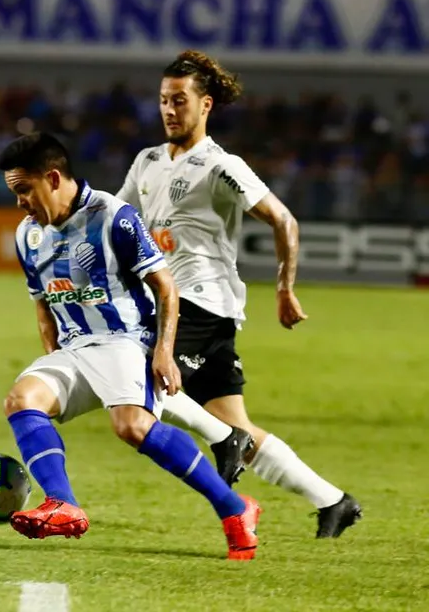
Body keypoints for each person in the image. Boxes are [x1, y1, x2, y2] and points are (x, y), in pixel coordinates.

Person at [116, 50, 362, 538]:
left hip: (200, 303)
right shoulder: (146, 162)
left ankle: (223, 440)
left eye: (180, 100)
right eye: (164, 100)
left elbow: (283, 218)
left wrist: (285, 288)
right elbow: (117, 223)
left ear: (205, 105)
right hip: (182, 306)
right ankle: (333, 501)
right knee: (239, 429)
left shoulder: (220, 165)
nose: (169, 109)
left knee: (140, 390)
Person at [0, 132, 261, 560]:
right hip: (75, 349)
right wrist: (51, 358)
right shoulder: (28, 234)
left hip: (126, 342)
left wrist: (163, 352)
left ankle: (235, 508)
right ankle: (62, 504)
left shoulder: (112, 216)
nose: (19, 203)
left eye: (23, 190)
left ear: (52, 178)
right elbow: (43, 305)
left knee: (132, 427)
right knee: (21, 399)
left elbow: (165, 285)